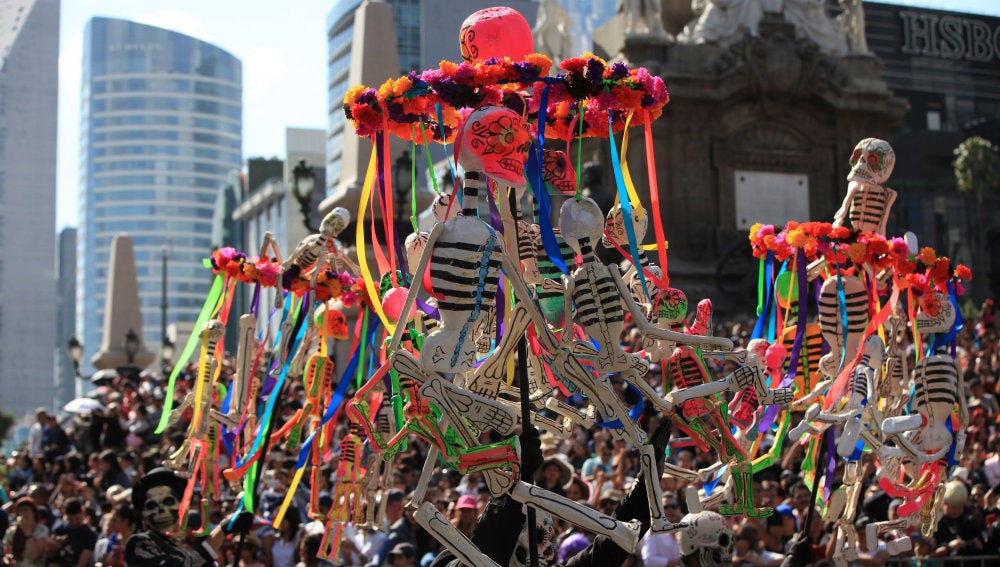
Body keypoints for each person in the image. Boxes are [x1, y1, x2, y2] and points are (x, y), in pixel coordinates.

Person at [47, 498, 98, 567]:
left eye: (77, 519)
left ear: (82, 512)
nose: (74, 522)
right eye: (71, 519)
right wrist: (55, 546)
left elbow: (82, 563)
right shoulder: (59, 529)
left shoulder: (89, 534)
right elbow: (50, 555)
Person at [3, 497, 49, 567]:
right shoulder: (12, 532)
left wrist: (27, 531)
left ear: (33, 512)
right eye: (20, 510)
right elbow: (8, 553)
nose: (23, 513)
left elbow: (34, 555)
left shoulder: (41, 530)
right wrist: (8, 559)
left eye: (25, 509)